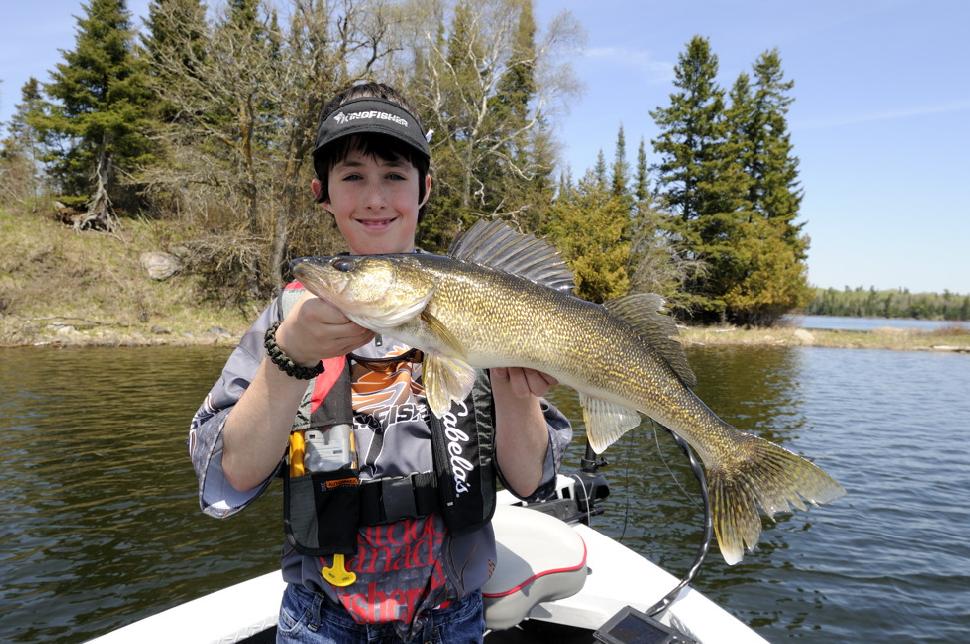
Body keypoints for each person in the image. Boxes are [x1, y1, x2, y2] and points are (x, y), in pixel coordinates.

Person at [189, 82, 572, 644]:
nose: (374, 198)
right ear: (323, 193)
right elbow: (229, 477)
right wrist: (288, 357)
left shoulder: (488, 303)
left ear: (425, 189)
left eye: (394, 176)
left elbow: (529, 478)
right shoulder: (289, 318)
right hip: (321, 621)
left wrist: (516, 389)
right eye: (352, 177)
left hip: (453, 616)